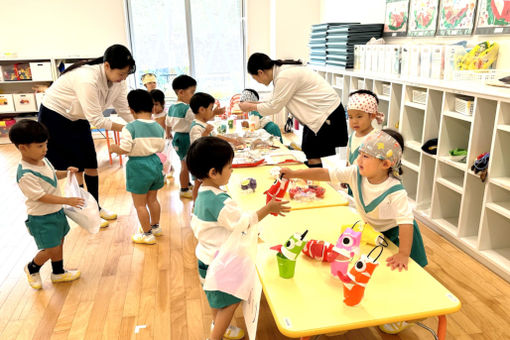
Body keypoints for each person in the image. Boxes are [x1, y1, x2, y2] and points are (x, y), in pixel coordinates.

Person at [281, 129, 428, 334]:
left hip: (400, 237)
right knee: (378, 276)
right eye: (360, 153)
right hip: (375, 234)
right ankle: (385, 308)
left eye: (365, 156)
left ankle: (411, 315)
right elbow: (325, 174)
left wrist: (403, 253)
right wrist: (296, 173)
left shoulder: (395, 191)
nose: (359, 159)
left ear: (385, 164)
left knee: (409, 279)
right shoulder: (355, 173)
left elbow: (406, 223)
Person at [187, 136, 290, 340]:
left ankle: (219, 327)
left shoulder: (204, 193)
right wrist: (268, 209)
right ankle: (215, 336)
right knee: (232, 301)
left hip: (205, 259)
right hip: (220, 262)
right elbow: (243, 222)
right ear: (213, 172)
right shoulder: (220, 201)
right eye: (229, 166)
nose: (232, 170)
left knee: (217, 299)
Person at [38, 44, 136, 229]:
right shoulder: (86, 79)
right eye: (121, 74)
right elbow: (98, 121)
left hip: (79, 115)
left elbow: (123, 108)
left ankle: (95, 207)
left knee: (90, 162)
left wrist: (139, 125)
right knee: (68, 167)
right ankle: (79, 209)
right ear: (107, 66)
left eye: (126, 74)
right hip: (55, 116)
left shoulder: (119, 81)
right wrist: (128, 130)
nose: (123, 78)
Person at [9, 120, 84, 290]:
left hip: (56, 212)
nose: (45, 149)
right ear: (23, 147)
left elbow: (53, 175)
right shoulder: (25, 174)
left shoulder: (44, 160)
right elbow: (41, 196)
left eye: (45, 145)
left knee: (59, 243)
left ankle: (58, 272)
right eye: (40, 146)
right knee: (50, 249)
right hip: (41, 218)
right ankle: (32, 267)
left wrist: (67, 173)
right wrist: (67, 200)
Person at [239, 52, 348, 168]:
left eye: (256, 79)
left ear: (260, 72)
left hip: (326, 113)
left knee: (312, 151)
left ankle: (316, 182)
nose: (258, 82)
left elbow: (274, 107)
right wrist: (250, 103)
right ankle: (312, 177)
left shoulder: (284, 76)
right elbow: (272, 99)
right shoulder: (281, 71)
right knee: (309, 149)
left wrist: (250, 106)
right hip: (320, 112)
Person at [110, 90, 165, 245]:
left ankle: (147, 234)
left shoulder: (130, 127)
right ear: (152, 108)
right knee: (153, 200)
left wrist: (115, 148)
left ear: (131, 110)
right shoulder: (158, 127)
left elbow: (125, 149)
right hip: (155, 163)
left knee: (140, 204)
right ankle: (155, 227)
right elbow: (161, 147)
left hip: (137, 166)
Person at [189, 92, 243, 201]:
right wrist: (206, 132)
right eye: (210, 109)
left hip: (208, 159)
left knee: (209, 181)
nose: (212, 111)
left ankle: (213, 194)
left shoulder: (203, 123)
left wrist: (232, 140)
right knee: (198, 184)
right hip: (200, 161)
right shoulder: (196, 127)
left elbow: (215, 137)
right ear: (202, 110)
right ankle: (196, 204)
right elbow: (197, 144)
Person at [344, 90, 382, 195]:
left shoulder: (376, 139)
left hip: (367, 190)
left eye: (359, 116)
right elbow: (349, 159)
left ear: (372, 116)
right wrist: (345, 176)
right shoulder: (352, 136)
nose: (354, 121)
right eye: (350, 117)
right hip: (353, 185)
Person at [166, 75, 196, 199]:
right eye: (192, 92)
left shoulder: (172, 107)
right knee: (185, 165)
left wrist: (168, 133)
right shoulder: (187, 109)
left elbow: (167, 123)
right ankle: (183, 189)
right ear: (181, 92)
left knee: (184, 162)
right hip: (185, 138)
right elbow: (196, 121)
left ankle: (187, 183)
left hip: (177, 137)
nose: (193, 95)